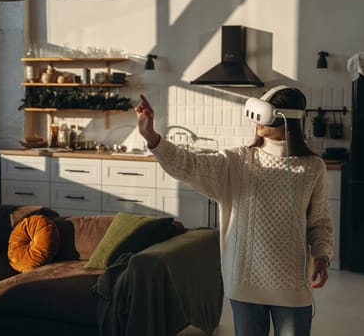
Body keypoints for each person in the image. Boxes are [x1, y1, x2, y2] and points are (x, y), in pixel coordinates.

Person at [136, 86, 333, 336]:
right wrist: (152, 136)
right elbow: (189, 164)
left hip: (293, 285)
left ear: (284, 118)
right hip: (244, 283)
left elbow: (320, 223)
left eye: (262, 114)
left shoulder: (313, 167)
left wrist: (322, 256)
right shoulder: (237, 162)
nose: (255, 121)